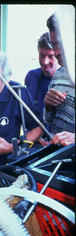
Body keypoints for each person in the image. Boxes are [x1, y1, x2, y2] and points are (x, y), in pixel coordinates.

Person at [43, 13, 75, 146]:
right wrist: (48, 107)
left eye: (61, 44)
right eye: (53, 45)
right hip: (57, 158)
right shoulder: (58, 74)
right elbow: (49, 122)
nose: (56, 52)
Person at [25, 32, 59, 121]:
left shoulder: (68, 80)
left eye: (51, 56)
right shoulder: (31, 76)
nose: (45, 62)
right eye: (42, 55)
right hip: (34, 133)